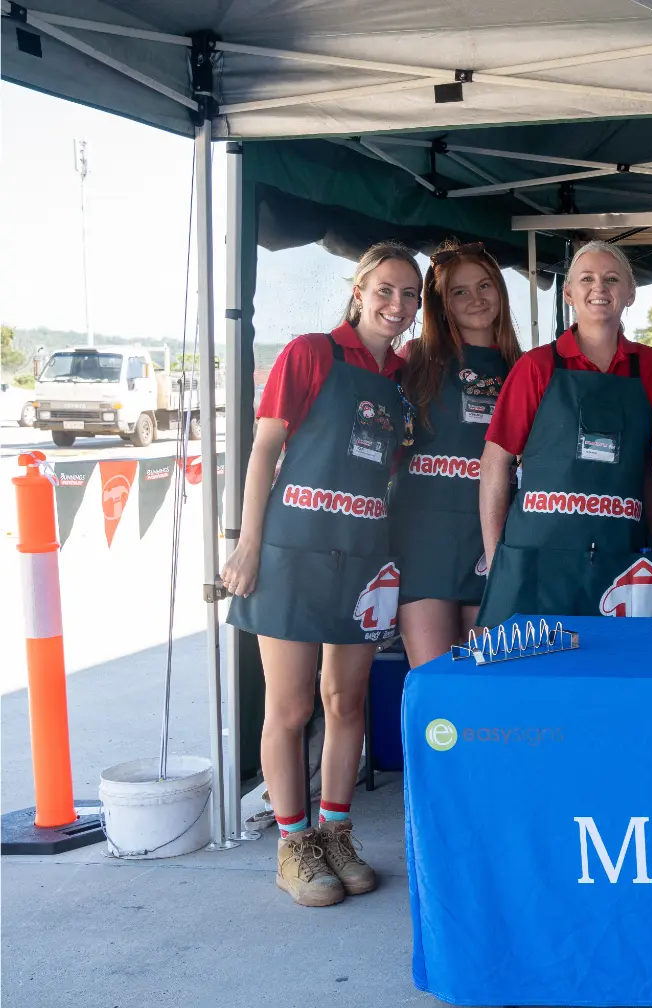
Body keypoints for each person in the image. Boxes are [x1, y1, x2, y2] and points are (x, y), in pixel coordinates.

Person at [220, 241, 419, 906]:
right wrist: (247, 544)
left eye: (409, 294)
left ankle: (336, 833)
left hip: (363, 561)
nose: (397, 304)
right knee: (291, 706)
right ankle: (294, 845)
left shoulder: (401, 383)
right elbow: (263, 451)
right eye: (385, 290)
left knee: (347, 702)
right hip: (290, 554)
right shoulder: (311, 352)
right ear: (359, 290)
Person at [477, 240, 652, 624]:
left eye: (612, 279)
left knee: (618, 677)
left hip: (622, 558)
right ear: (568, 292)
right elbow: (494, 465)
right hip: (534, 560)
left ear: (630, 294)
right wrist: (499, 557)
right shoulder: (536, 366)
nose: (600, 288)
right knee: (527, 678)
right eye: (587, 279)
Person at [392, 241, 521, 664]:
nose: (476, 299)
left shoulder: (525, 368)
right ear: (441, 304)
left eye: (484, 285)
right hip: (423, 542)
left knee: (488, 686)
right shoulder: (416, 361)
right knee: (435, 685)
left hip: (495, 541)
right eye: (459, 292)